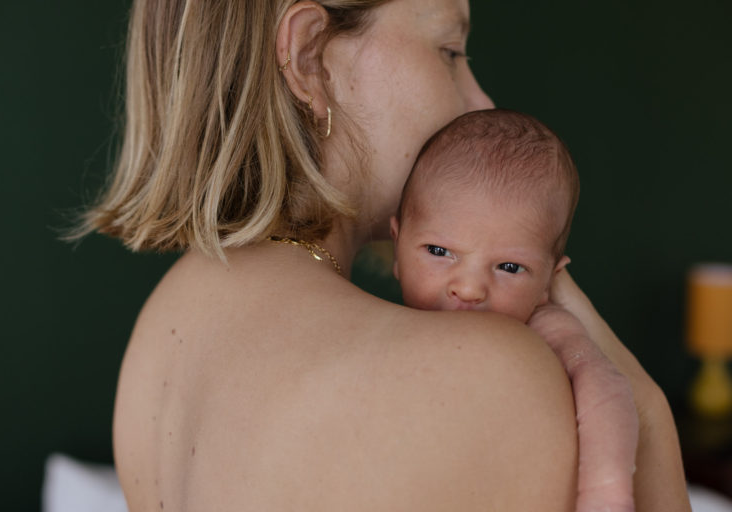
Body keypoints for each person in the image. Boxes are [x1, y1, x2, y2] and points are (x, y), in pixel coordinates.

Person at [75, 0, 691, 510]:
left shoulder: (167, 326)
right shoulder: (490, 373)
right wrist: (648, 414)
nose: (480, 102)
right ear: (310, 55)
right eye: (450, 51)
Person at [390, 108, 639, 511]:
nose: (469, 288)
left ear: (548, 281)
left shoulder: (549, 330)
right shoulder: (377, 325)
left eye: (509, 267)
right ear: (397, 246)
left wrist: (605, 497)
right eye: (439, 251)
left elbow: (607, 393)